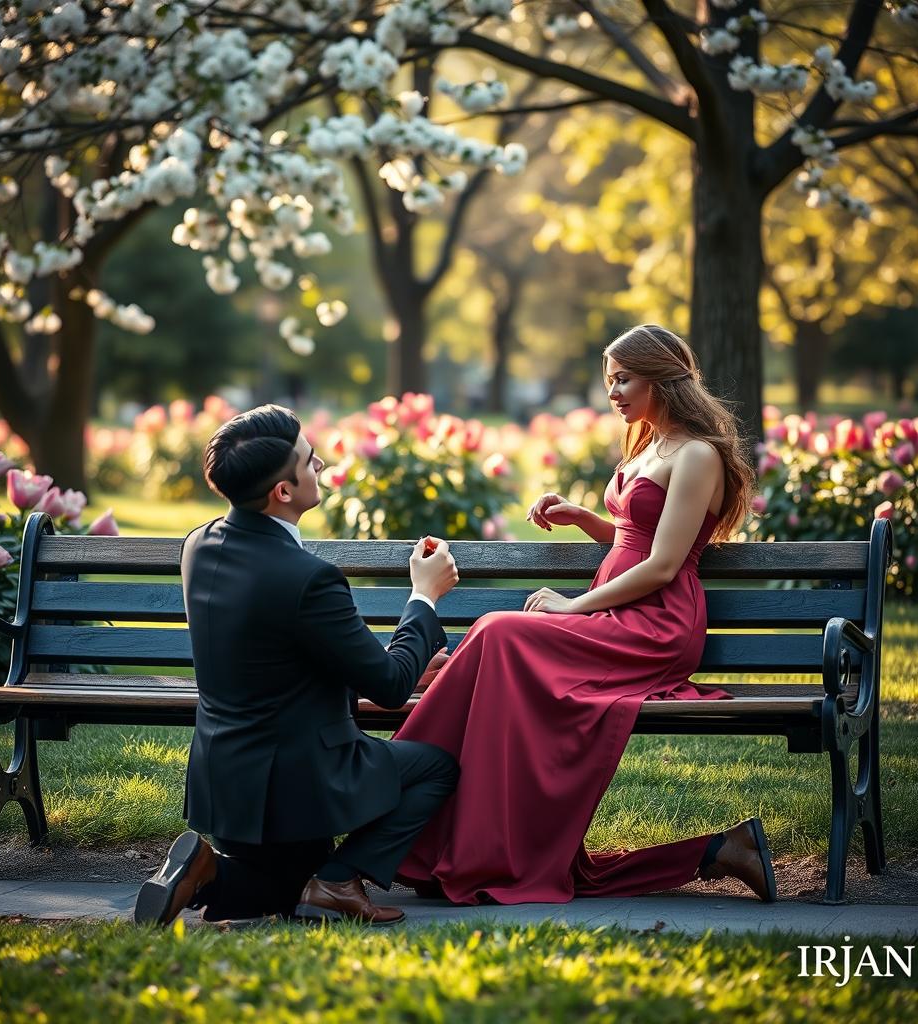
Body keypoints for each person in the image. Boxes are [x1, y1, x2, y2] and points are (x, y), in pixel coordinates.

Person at [394, 324, 778, 905]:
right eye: (610, 382)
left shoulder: (698, 454)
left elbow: (664, 564)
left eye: (624, 379)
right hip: (618, 614)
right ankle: (430, 829)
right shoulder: (651, 445)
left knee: (499, 632)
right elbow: (636, 534)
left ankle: (406, 796)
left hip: (656, 623)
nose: (614, 393)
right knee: (498, 644)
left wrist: (571, 606)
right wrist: (585, 520)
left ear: (662, 377)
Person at [134, 405, 461, 928]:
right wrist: (423, 596)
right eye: (310, 462)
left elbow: (282, 653)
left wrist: (395, 658)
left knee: (284, 892)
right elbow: (391, 686)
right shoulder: (308, 577)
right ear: (282, 492)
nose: (323, 466)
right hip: (303, 780)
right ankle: (337, 880)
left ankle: (208, 871)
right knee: (437, 768)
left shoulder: (200, 543)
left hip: (226, 780)